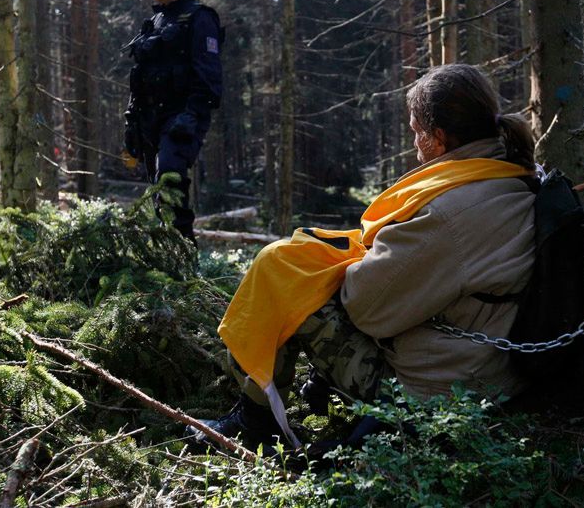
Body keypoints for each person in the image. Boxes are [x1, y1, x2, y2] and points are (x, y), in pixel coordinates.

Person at [190, 63, 537, 451]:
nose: (414, 145)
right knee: (295, 265)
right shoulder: (505, 177)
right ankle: (275, 407)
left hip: (442, 390)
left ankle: (255, 424)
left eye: (415, 132)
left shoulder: (448, 211)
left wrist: (341, 266)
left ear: (437, 139)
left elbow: (366, 308)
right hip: (484, 368)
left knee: (282, 272)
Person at [123, 0, 223, 243]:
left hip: (180, 116)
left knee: (170, 180)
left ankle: (183, 262)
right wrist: (131, 120)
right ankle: (165, 260)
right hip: (149, 120)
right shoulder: (153, 23)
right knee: (156, 189)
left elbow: (209, 76)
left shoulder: (199, 18)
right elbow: (139, 77)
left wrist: (191, 115)